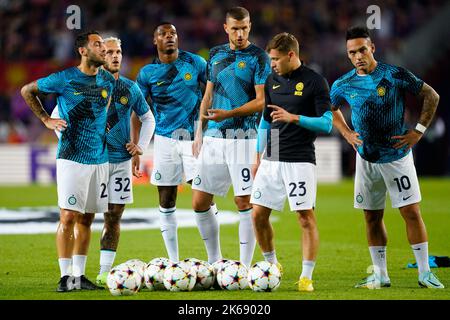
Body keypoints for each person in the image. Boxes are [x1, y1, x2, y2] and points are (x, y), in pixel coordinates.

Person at [331, 26, 444, 289]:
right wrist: (347, 134)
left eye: (362, 49)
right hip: (366, 158)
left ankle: (425, 272)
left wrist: (418, 131)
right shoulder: (343, 84)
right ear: (348, 55)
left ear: (372, 48)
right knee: (371, 217)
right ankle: (381, 275)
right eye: (352, 52)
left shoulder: (394, 75)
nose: (358, 56)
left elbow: (431, 95)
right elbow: (331, 107)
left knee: (411, 212)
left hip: (397, 156)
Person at [21, 31, 115, 292]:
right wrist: (46, 119)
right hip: (72, 158)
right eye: (98, 45)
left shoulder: (108, 79)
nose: (104, 49)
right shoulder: (64, 78)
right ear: (83, 51)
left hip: (100, 159)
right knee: (68, 216)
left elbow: (102, 111)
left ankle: (79, 276)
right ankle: (65, 277)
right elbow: (27, 90)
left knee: (87, 219)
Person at [250, 33, 333, 292]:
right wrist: (257, 154)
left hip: (299, 160)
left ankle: (306, 276)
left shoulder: (315, 82)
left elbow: (327, 123)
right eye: (269, 60)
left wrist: (294, 118)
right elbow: (265, 120)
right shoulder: (271, 80)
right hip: (271, 160)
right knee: (258, 215)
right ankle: (272, 266)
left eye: (275, 59)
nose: (271, 64)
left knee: (305, 218)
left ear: (291, 55)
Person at [191, 7, 271, 268]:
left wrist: (229, 113)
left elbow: (261, 102)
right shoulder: (215, 54)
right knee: (199, 201)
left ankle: (244, 267)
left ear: (250, 26)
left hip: (244, 137)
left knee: (243, 200)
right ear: (226, 28)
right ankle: (214, 260)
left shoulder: (259, 57)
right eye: (235, 28)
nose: (240, 33)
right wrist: (198, 131)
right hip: (214, 138)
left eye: (244, 28)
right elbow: (208, 95)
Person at [136, 23, 210, 262]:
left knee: (203, 197)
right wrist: (137, 146)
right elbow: (137, 111)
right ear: (154, 41)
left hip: (193, 139)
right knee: (166, 200)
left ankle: (215, 260)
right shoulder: (147, 73)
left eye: (173, 33)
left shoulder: (196, 63)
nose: (169, 37)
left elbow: (213, 93)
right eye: (163, 34)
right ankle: (174, 262)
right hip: (164, 140)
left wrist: (206, 128)